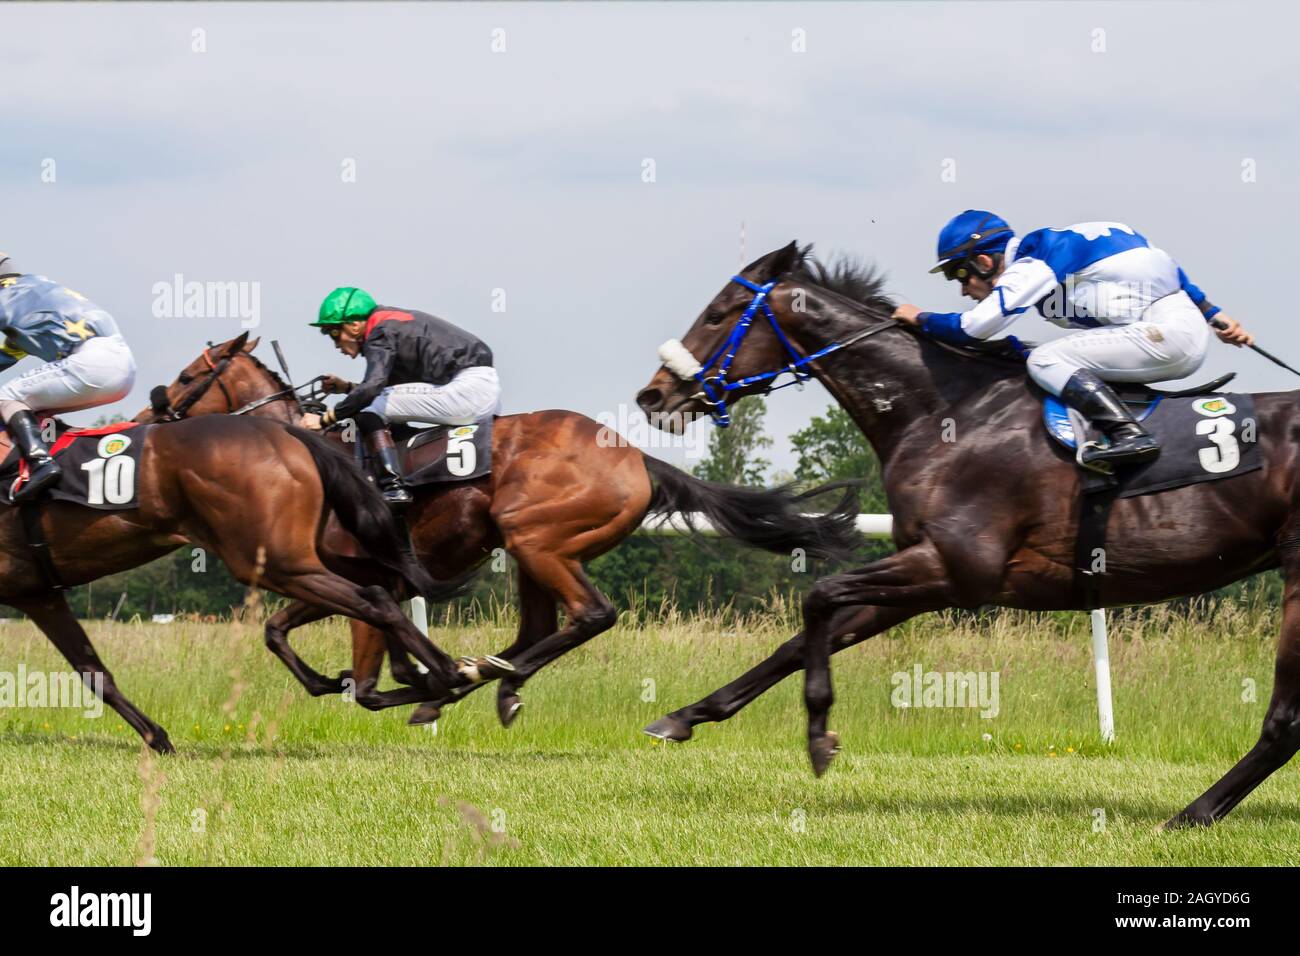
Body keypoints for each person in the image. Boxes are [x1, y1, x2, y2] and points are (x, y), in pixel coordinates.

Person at [891, 211, 1254, 467]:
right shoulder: (1071, 242)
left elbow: (974, 328)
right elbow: (1164, 265)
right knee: (1037, 354)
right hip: (1171, 329)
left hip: (1166, 336)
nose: (963, 290)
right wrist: (1212, 313)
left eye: (959, 275)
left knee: (1044, 361)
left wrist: (919, 317)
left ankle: (1129, 436)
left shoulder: (1033, 263)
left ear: (984, 262)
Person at [303, 287, 501, 506]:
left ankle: (393, 486)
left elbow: (372, 391)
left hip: (467, 391)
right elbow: (393, 389)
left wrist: (324, 419)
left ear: (355, 325)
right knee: (378, 403)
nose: (337, 346)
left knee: (369, 409)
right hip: (481, 388)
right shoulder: (392, 325)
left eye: (335, 334)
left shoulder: (379, 333)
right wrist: (348, 387)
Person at [0, 254, 137, 502]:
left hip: (90, 363)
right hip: (122, 365)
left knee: (5, 396)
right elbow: (7, 354)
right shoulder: (32, 291)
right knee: (32, 405)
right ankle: (54, 455)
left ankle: (41, 462)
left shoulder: (5, 297)